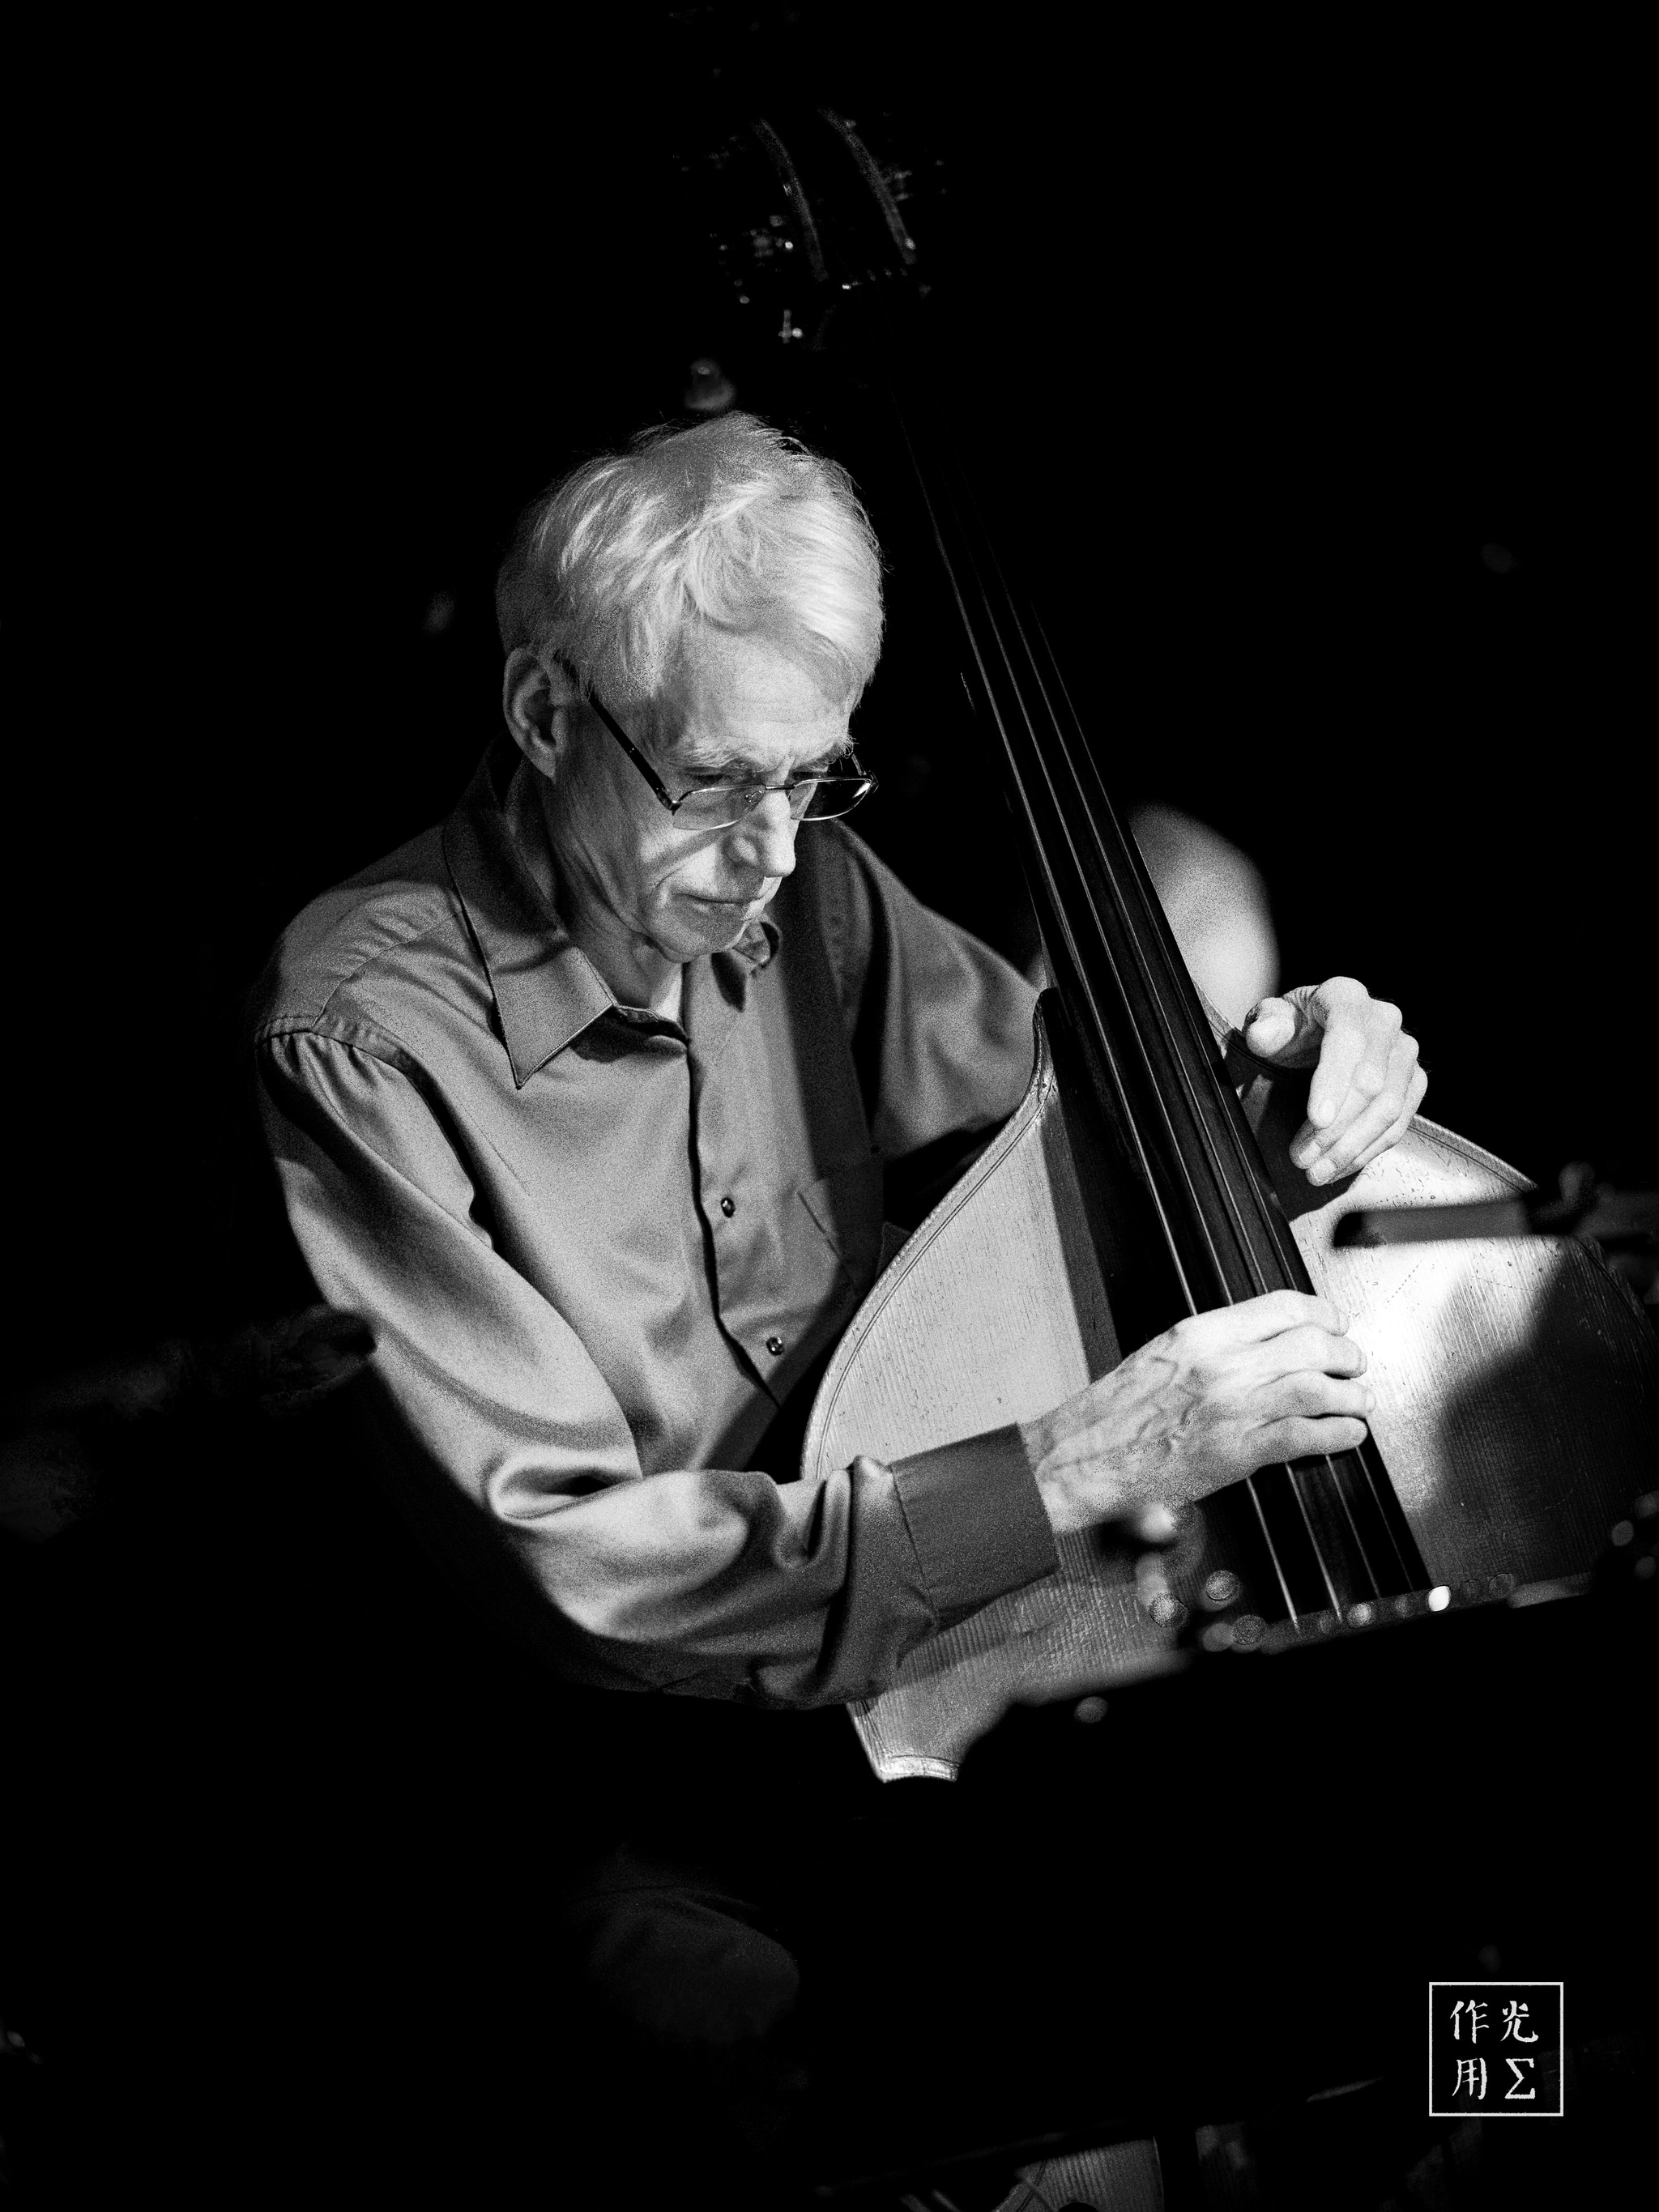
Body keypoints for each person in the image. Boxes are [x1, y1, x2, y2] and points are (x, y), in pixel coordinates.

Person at [249, 411, 1427, 2205]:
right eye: (723, 782)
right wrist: (1056, 1469)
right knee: (939, 2104)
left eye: (818, 782)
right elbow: (577, 1562)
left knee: (1427, 1982)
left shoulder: (808, 895)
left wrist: (1283, 1104)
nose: (776, 855)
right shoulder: (361, 1030)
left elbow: (1073, 1154)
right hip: (611, 1787)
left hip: (909, 1707)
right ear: (549, 715)